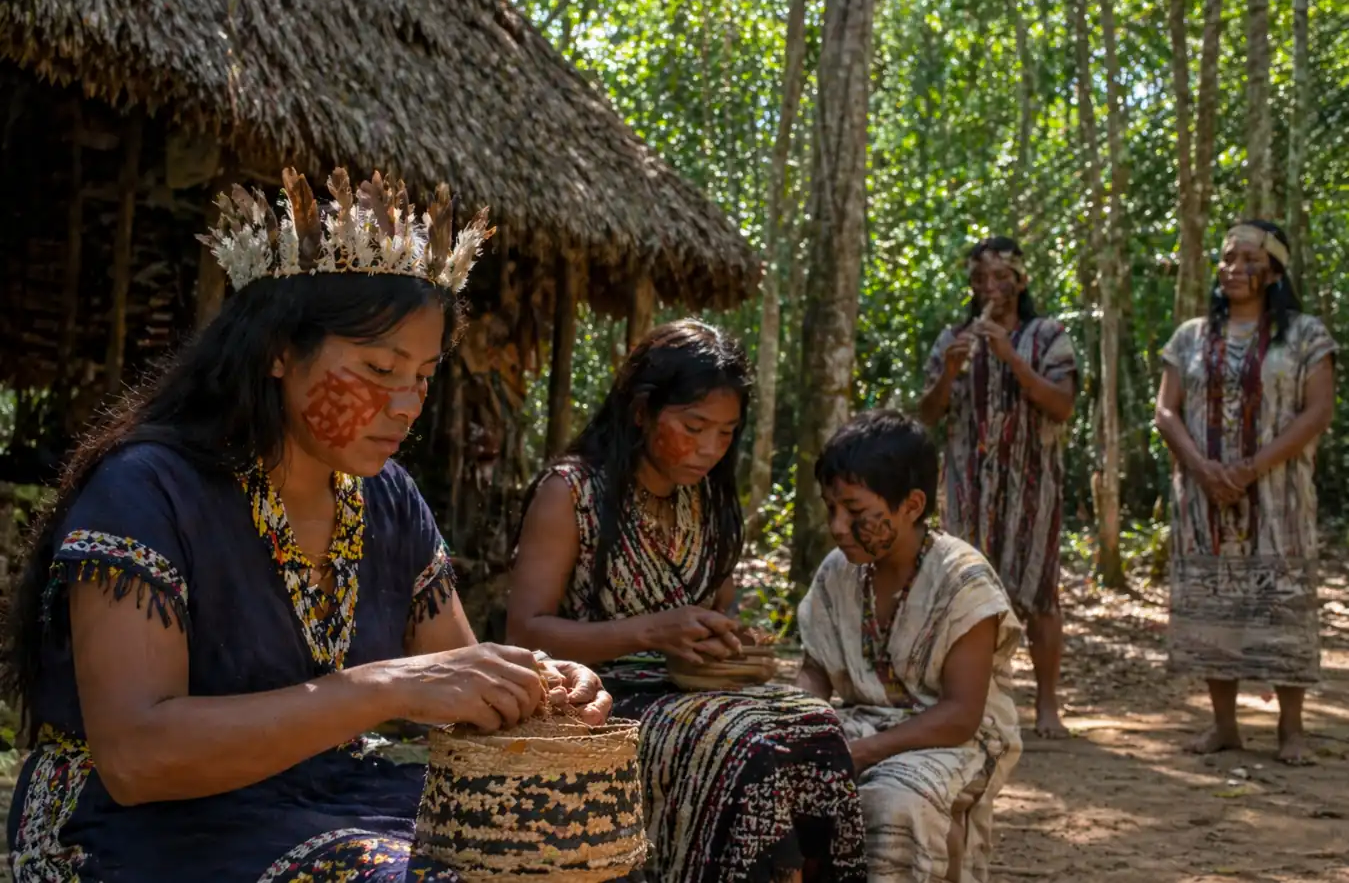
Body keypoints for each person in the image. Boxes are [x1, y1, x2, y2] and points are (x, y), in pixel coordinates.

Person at [2, 168, 610, 882]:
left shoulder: (387, 499)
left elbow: (450, 681)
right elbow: (137, 759)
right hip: (126, 824)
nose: (408, 404)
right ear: (278, 351)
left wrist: (532, 687)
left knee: (559, 848)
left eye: (422, 375)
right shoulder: (145, 490)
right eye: (380, 369)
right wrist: (386, 687)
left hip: (322, 793)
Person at [507, 319, 867, 883]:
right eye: (694, 426)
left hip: (690, 694)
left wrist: (728, 640)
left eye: (725, 433)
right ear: (642, 411)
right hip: (601, 700)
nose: (709, 449)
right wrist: (651, 632)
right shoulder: (571, 493)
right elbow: (525, 634)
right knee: (741, 744)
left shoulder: (706, 497)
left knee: (817, 725)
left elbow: (715, 609)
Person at [796, 410, 1022, 883]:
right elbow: (815, 670)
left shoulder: (963, 580)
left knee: (892, 804)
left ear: (912, 505)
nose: (837, 527)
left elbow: (962, 715)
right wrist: (804, 728)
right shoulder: (838, 570)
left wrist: (864, 751)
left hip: (957, 739)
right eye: (830, 508)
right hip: (861, 726)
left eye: (855, 512)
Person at [1155, 220, 1336, 766]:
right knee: (1215, 602)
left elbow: (1318, 410)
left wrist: (1252, 468)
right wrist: (1204, 469)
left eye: (1248, 259)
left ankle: (1291, 730)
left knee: (1282, 604)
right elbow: (1166, 411)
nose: (1233, 268)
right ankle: (1224, 725)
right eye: (1227, 258)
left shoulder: (1306, 335)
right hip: (1204, 496)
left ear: (1274, 271)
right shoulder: (1190, 336)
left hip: (1277, 497)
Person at [916, 236, 1076, 739]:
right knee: (965, 592)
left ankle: (1047, 705)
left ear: (1021, 281)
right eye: (981, 279)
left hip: (1032, 486)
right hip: (967, 486)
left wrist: (1011, 358)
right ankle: (971, 701)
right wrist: (948, 372)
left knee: (1041, 593)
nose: (990, 287)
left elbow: (1062, 405)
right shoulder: (953, 338)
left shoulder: (1049, 336)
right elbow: (926, 416)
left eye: (1001, 278)